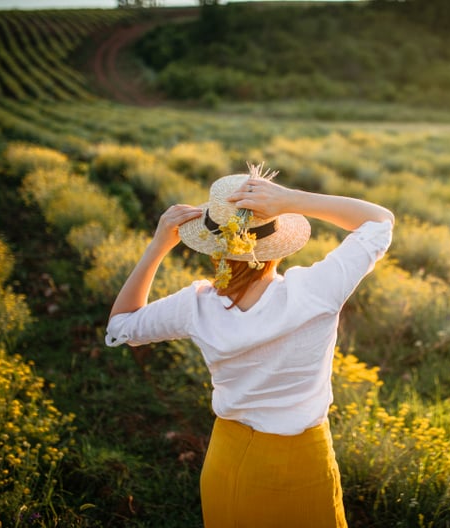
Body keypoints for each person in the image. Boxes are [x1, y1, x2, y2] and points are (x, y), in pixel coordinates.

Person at [104, 162, 394, 528]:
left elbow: (121, 326)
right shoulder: (315, 291)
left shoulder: (195, 306)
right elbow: (380, 221)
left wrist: (159, 245)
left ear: (213, 248)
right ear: (277, 243)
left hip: (226, 460)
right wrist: (291, 200)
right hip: (302, 462)